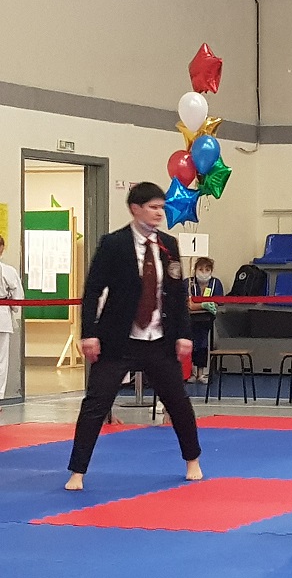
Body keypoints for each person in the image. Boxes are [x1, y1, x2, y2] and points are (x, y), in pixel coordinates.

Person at [65, 182, 202, 491]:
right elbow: (93, 290)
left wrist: (184, 334)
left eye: (161, 207)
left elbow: (178, 294)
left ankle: (192, 459)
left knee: (178, 402)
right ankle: (77, 471)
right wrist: (89, 334)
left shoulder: (168, 245)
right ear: (135, 209)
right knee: (96, 404)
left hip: (159, 338)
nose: (159, 213)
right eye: (153, 207)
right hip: (118, 338)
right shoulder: (113, 244)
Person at [187, 256, 225, 383]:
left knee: (203, 344)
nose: (204, 272)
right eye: (201, 269)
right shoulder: (189, 283)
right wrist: (203, 305)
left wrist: (207, 306)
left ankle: (201, 373)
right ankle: (190, 372)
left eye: (207, 269)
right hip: (189, 319)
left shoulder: (216, 283)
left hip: (207, 320)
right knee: (190, 344)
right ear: (195, 270)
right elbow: (188, 304)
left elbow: (218, 302)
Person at [0, 235, 26, 407]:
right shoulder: (8, 271)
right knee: (1, 360)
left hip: (3, 315)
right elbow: (18, 299)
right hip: (2, 317)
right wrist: (12, 306)